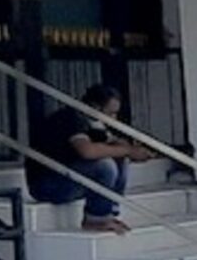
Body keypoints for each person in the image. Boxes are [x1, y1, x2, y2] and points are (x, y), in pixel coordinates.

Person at [30, 85, 160, 232]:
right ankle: (96, 219)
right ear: (94, 106)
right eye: (110, 113)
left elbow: (114, 143)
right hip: (46, 185)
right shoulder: (71, 118)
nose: (113, 119)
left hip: (68, 180)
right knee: (104, 165)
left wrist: (133, 149)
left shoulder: (94, 123)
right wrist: (127, 150)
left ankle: (109, 213)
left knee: (119, 157)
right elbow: (87, 151)